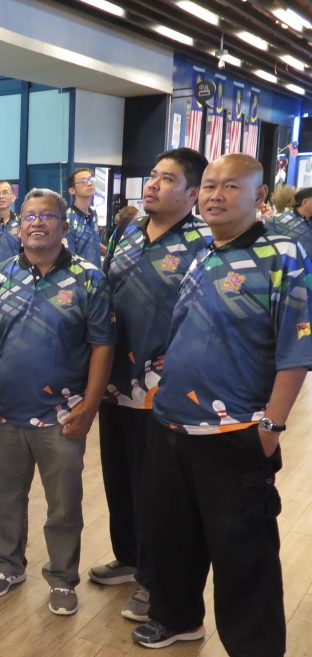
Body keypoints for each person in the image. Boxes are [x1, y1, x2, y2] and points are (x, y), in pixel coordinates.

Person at [131, 154, 312, 657]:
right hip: (171, 423)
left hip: (235, 430)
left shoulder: (284, 255)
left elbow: (297, 351)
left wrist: (270, 426)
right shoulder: (201, 252)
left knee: (243, 549)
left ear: (259, 197)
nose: (215, 195)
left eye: (230, 186)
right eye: (209, 185)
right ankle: (177, 617)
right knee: (171, 533)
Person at [0, 188, 116, 616]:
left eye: (47, 216)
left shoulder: (89, 278)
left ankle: (62, 578)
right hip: (4, 413)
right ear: (19, 227)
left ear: (64, 227)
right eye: (29, 216)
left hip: (62, 417)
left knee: (64, 504)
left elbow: (103, 347)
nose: (36, 223)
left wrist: (89, 408)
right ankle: (7, 566)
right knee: (5, 497)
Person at [92, 148, 210, 624]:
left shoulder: (203, 242)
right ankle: (128, 558)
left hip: (162, 389)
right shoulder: (128, 232)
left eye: (168, 179)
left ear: (192, 193)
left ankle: (152, 578)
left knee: (155, 491)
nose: (153, 185)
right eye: (153, 176)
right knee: (118, 477)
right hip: (114, 382)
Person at [65, 168, 104, 263]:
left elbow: (92, 243)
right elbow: (69, 258)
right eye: (83, 181)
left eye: (91, 180)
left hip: (96, 271)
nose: (89, 184)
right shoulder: (68, 220)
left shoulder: (93, 214)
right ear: (72, 190)